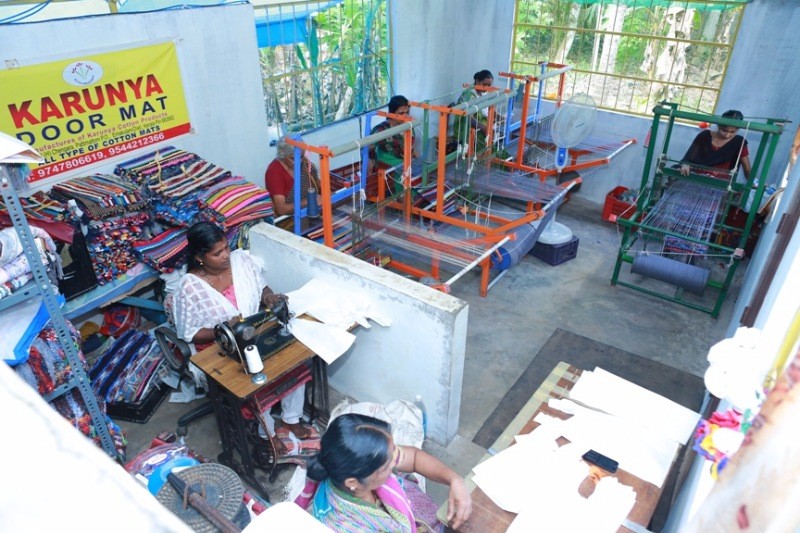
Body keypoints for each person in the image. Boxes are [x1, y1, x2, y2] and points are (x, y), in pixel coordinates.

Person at [171, 221, 313, 450]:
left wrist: (268, 297)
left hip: (252, 332)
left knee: (292, 361)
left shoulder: (241, 261)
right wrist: (223, 330)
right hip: (219, 346)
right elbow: (190, 333)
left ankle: (291, 417)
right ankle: (266, 432)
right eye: (217, 253)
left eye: (226, 247)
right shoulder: (189, 288)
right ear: (199, 257)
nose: (226, 255)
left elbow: (262, 287)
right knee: (255, 379)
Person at [301, 413, 472, 532]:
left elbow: (413, 458)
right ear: (353, 482)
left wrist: (454, 480)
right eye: (385, 466)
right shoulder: (344, 526)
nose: (395, 461)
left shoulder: (370, 465)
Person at [679, 109, 751, 182]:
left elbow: (747, 170)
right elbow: (689, 158)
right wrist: (685, 165)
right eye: (724, 130)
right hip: (697, 177)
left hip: (720, 183)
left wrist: (753, 183)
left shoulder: (739, 142)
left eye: (732, 132)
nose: (727, 135)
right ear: (718, 125)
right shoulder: (704, 136)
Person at [265, 136, 321, 216]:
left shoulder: (303, 161)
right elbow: (282, 210)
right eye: (292, 159)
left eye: (301, 156)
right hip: (291, 217)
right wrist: (309, 201)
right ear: (283, 155)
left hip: (311, 209)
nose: (299, 161)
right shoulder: (274, 172)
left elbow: (317, 183)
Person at [453, 69, 495, 153]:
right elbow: (467, 117)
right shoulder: (468, 95)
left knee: (492, 135)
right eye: (485, 85)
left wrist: (499, 117)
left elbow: (486, 109)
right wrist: (483, 127)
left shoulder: (483, 93)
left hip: (478, 124)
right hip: (465, 127)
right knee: (487, 142)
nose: (487, 88)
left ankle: (491, 154)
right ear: (477, 81)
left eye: (489, 85)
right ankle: (484, 155)